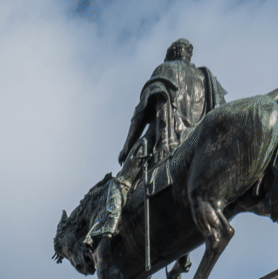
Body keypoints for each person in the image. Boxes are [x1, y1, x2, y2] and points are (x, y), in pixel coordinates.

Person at [85, 38, 226, 250]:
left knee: (119, 183)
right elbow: (219, 112)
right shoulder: (207, 79)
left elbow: (142, 113)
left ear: (172, 54)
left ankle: (110, 223)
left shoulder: (166, 69)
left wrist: (127, 146)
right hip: (198, 141)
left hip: (167, 141)